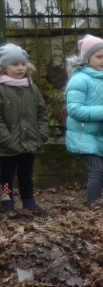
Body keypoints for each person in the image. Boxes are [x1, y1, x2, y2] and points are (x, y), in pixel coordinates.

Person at [65, 34, 103, 204]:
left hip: (101, 135)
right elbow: (74, 109)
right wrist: (102, 111)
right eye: (99, 57)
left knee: (99, 171)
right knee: (98, 171)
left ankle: (94, 202)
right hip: (84, 135)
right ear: (87, 58)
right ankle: (92, 205)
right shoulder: (79, 80)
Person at [0, 43, 48, 213]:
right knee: (5, 179)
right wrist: (7, 139)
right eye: (15, 64)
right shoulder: (1, 89)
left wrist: (41, 135)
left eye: (22, 64)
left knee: (26, 176)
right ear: (4, 67)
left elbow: (41, 113)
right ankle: (6, 203)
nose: (20, 68)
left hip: (29, 143)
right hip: (6, 147)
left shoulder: (31, 88)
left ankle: (29, 203)